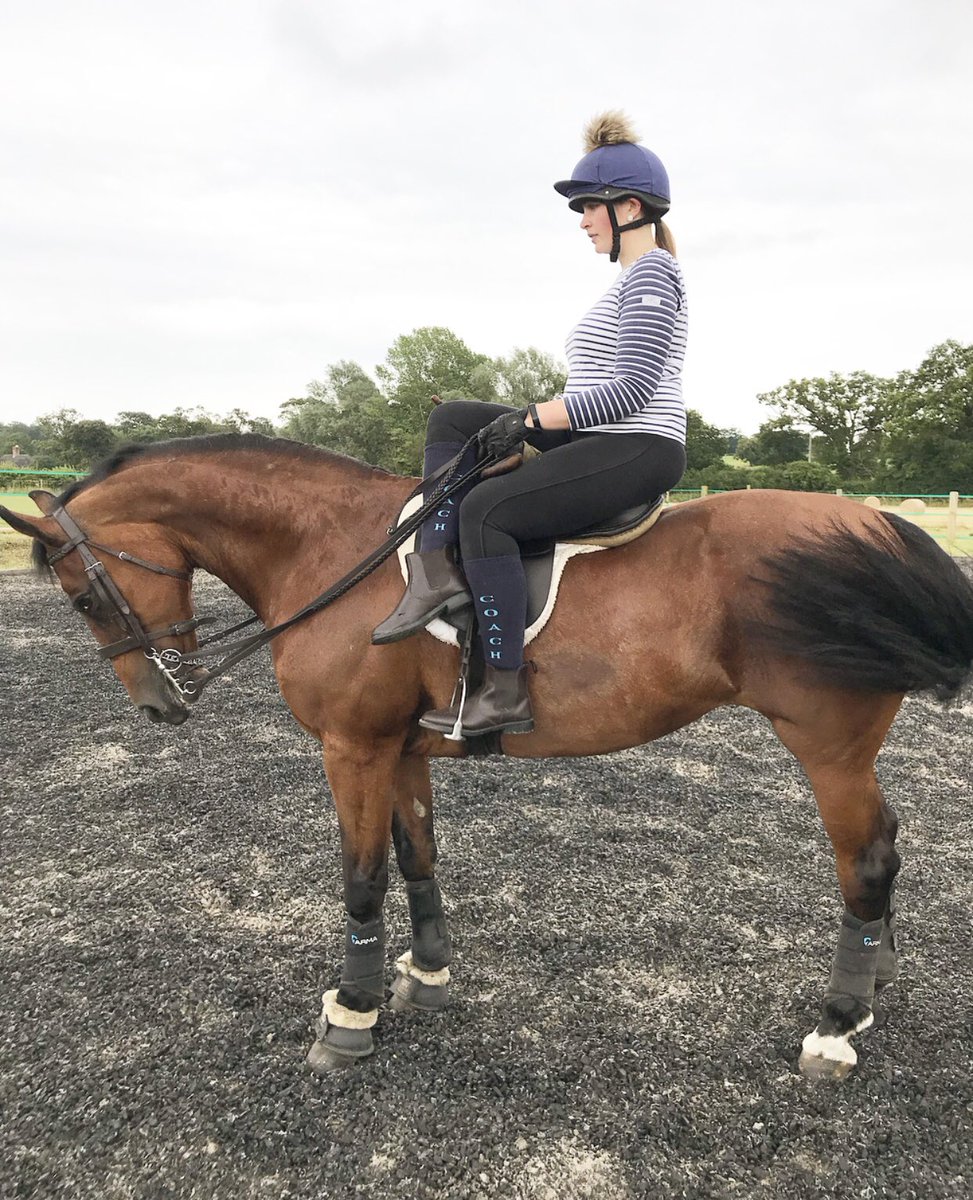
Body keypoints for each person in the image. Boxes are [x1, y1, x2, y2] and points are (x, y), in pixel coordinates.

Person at [372, 111, 689, 737]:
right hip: (595, 433)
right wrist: (526, 421)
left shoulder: (653, 275)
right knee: (455, 418)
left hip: (636, 444)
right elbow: (594, 389)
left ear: (628, 208)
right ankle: (433, 569)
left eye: (588, 208)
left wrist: (528, 419)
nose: (581, 221)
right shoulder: (627, 281)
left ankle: (504, 690)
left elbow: (630, 394)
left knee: (487, 512)